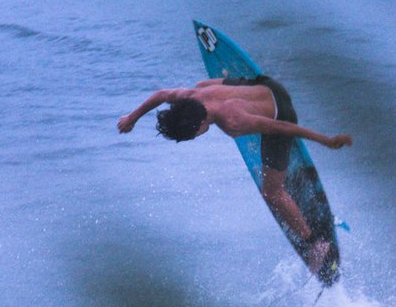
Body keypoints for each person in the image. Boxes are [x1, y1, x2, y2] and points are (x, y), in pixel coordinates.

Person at [117, 73, 351, 269]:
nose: (195, 138)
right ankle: (238, 86)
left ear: (200, 125)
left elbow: (283, 127)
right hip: (267, 84)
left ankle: (315, 243)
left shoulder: (233, 121)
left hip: (282, 111)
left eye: (192, 136)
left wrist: (326, 140)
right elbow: (161, 95)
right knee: (201, 84)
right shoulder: (192, 97)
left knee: (271, 193)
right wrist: (131, 118)